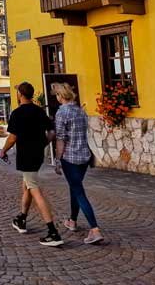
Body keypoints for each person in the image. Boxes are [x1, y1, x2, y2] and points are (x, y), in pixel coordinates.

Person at [0, 81, 63, 247]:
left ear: (20, 94)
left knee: (34, 189)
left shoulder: (17, 113)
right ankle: (22, 218)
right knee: (26, 185)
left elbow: (12, 138)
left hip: (26, 156)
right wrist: (43, 142)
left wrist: (3, 151)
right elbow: (52, 131)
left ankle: (53, 231)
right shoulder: (39, 111)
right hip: (37, 155)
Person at [52, 82, 104, 245]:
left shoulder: (62, 113)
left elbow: (61, 138)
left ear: (61, 96)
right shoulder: (81, 111)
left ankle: (94, 229)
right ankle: (72, 220)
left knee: (78, 191)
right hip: (84, 156)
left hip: (70, 157)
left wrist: (58, 159)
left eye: (57, 96)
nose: (57, 98)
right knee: (75, 187)